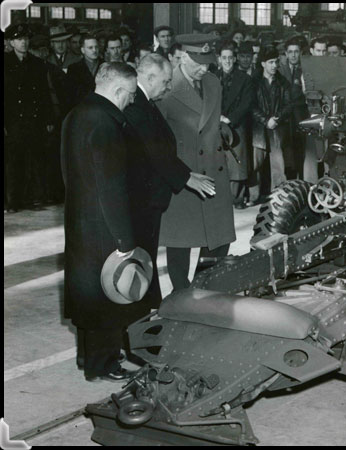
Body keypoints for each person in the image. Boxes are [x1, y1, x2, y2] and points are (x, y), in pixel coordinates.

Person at [61, 62, 148, 382]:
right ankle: (105, 362)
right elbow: (112, 188)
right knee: (108, 295)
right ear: (118, 90)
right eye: (131, 95)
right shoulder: (107, 124)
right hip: (104, 227)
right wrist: (125, 240)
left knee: (85, 293)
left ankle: (86, 356)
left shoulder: (75, 115)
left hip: (79, 219)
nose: (132, 102)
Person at [124, 53, 216, 307]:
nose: (168, 86)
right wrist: (185, 177)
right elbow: (153, 149)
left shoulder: (146, 101)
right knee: (142, 257)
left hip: (150, 195)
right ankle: (144, 310)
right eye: (165, 81)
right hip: (141, 197)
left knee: (146, 256)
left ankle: (148, 306)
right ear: (150, 77)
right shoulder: (137, 105)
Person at [155, 34, 235, 290]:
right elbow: (156, 136)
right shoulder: (167, 87)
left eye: (208, 63)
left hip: (214, 170)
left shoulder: (213, 82)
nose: (205, 69)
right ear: (184, 56)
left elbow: (213, 124)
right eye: (199, 63)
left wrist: (226, 132)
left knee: (218, 239)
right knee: (181, 241)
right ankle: (181, 293)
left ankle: (204, 288)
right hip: (185, 174)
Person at [4, 24, 54, 212]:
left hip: (34, 119)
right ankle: (13, 201)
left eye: (25, 39)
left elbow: (44, 94)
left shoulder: (37, 63)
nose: (23, 42)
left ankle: (34, 198)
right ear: (11, 42)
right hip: (13, 120)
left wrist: (49, 119)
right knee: (14, 161)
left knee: (35, 159)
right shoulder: (5, 62)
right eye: (19, 39)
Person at [250, 46, 293, 202]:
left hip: (276, 128)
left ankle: (278, 197)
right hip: (258, 129)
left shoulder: (283, 82)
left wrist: (277, 119)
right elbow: (251, 105)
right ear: (262, 64)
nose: (274, 65)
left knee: (278, 164)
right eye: (270, 62)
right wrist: (264, 120)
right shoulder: (253, 81)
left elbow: (289, 105)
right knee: (255, 165)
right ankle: (253, 196)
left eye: (276, 62)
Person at [216, 41, 254, 208]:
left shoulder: (245, 79)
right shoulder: (211, 77)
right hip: (215, 124)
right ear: (219, 59)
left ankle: (236, 198)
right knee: (217, 162)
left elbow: (246, 103)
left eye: (230, 58)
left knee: (236, 163)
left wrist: (229, 119)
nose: (227, 61)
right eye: (224, 58)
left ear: (235, 59)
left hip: (235, 125)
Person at [279, 36, 309, 180]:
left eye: (296, 51)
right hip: (284, 118)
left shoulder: (305, 70)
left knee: (300, 152)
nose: (293, 55)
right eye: (290, 52)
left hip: (301, 117)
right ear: (285, 53)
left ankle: (301, 183)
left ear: (300, 53)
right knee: (286, 152)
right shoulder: (280, 70)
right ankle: (289, 182)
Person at [66, 34, 101, 109]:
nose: (94, 50)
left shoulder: (105, 65)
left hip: (102, 108)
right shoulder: (74, 69)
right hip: (83, 109)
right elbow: (72, 95)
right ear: (82, 50)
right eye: (90, 48)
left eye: (96, 47)